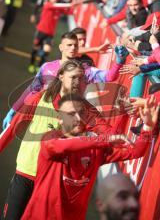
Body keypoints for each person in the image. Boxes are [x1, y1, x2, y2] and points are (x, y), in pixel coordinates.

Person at [0, 60, 127, 220]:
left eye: (81, 79)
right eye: (73, 77)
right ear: (60, 76)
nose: (77, 82)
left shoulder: (85, 110)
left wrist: (122, 112)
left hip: (53, 185)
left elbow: (110, 136)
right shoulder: (39, 98)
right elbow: (11, 130)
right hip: (26, 174)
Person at [21, 93, 158, 220]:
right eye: (71, 114)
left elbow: (135, 151)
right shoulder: (50, 138)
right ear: (60, 119)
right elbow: (65, 145)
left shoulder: (96, 150)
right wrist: (104, 140)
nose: (78, 118)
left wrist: (148, 127)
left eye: (81, 113)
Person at [3, 32, 129, 129]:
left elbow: (109, 77)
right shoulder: (46, 67)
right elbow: (31, 90)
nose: (73, 48)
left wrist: (119, 61)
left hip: (68, 125)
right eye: (69, 45)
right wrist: (14, 110)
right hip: (42, 120)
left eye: (75, 45)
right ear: (61, 47)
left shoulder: (85, 70)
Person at [28, 0, 74, 73]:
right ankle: (31, 64)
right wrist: (70, 4)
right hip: (40, 31)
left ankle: (39, 66)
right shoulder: (48, 5)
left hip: (50, 34)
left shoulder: (58, 8)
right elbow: (60, 6)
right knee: (35, 48)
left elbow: (70, 12)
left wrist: (75, 4)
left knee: (46, 50)